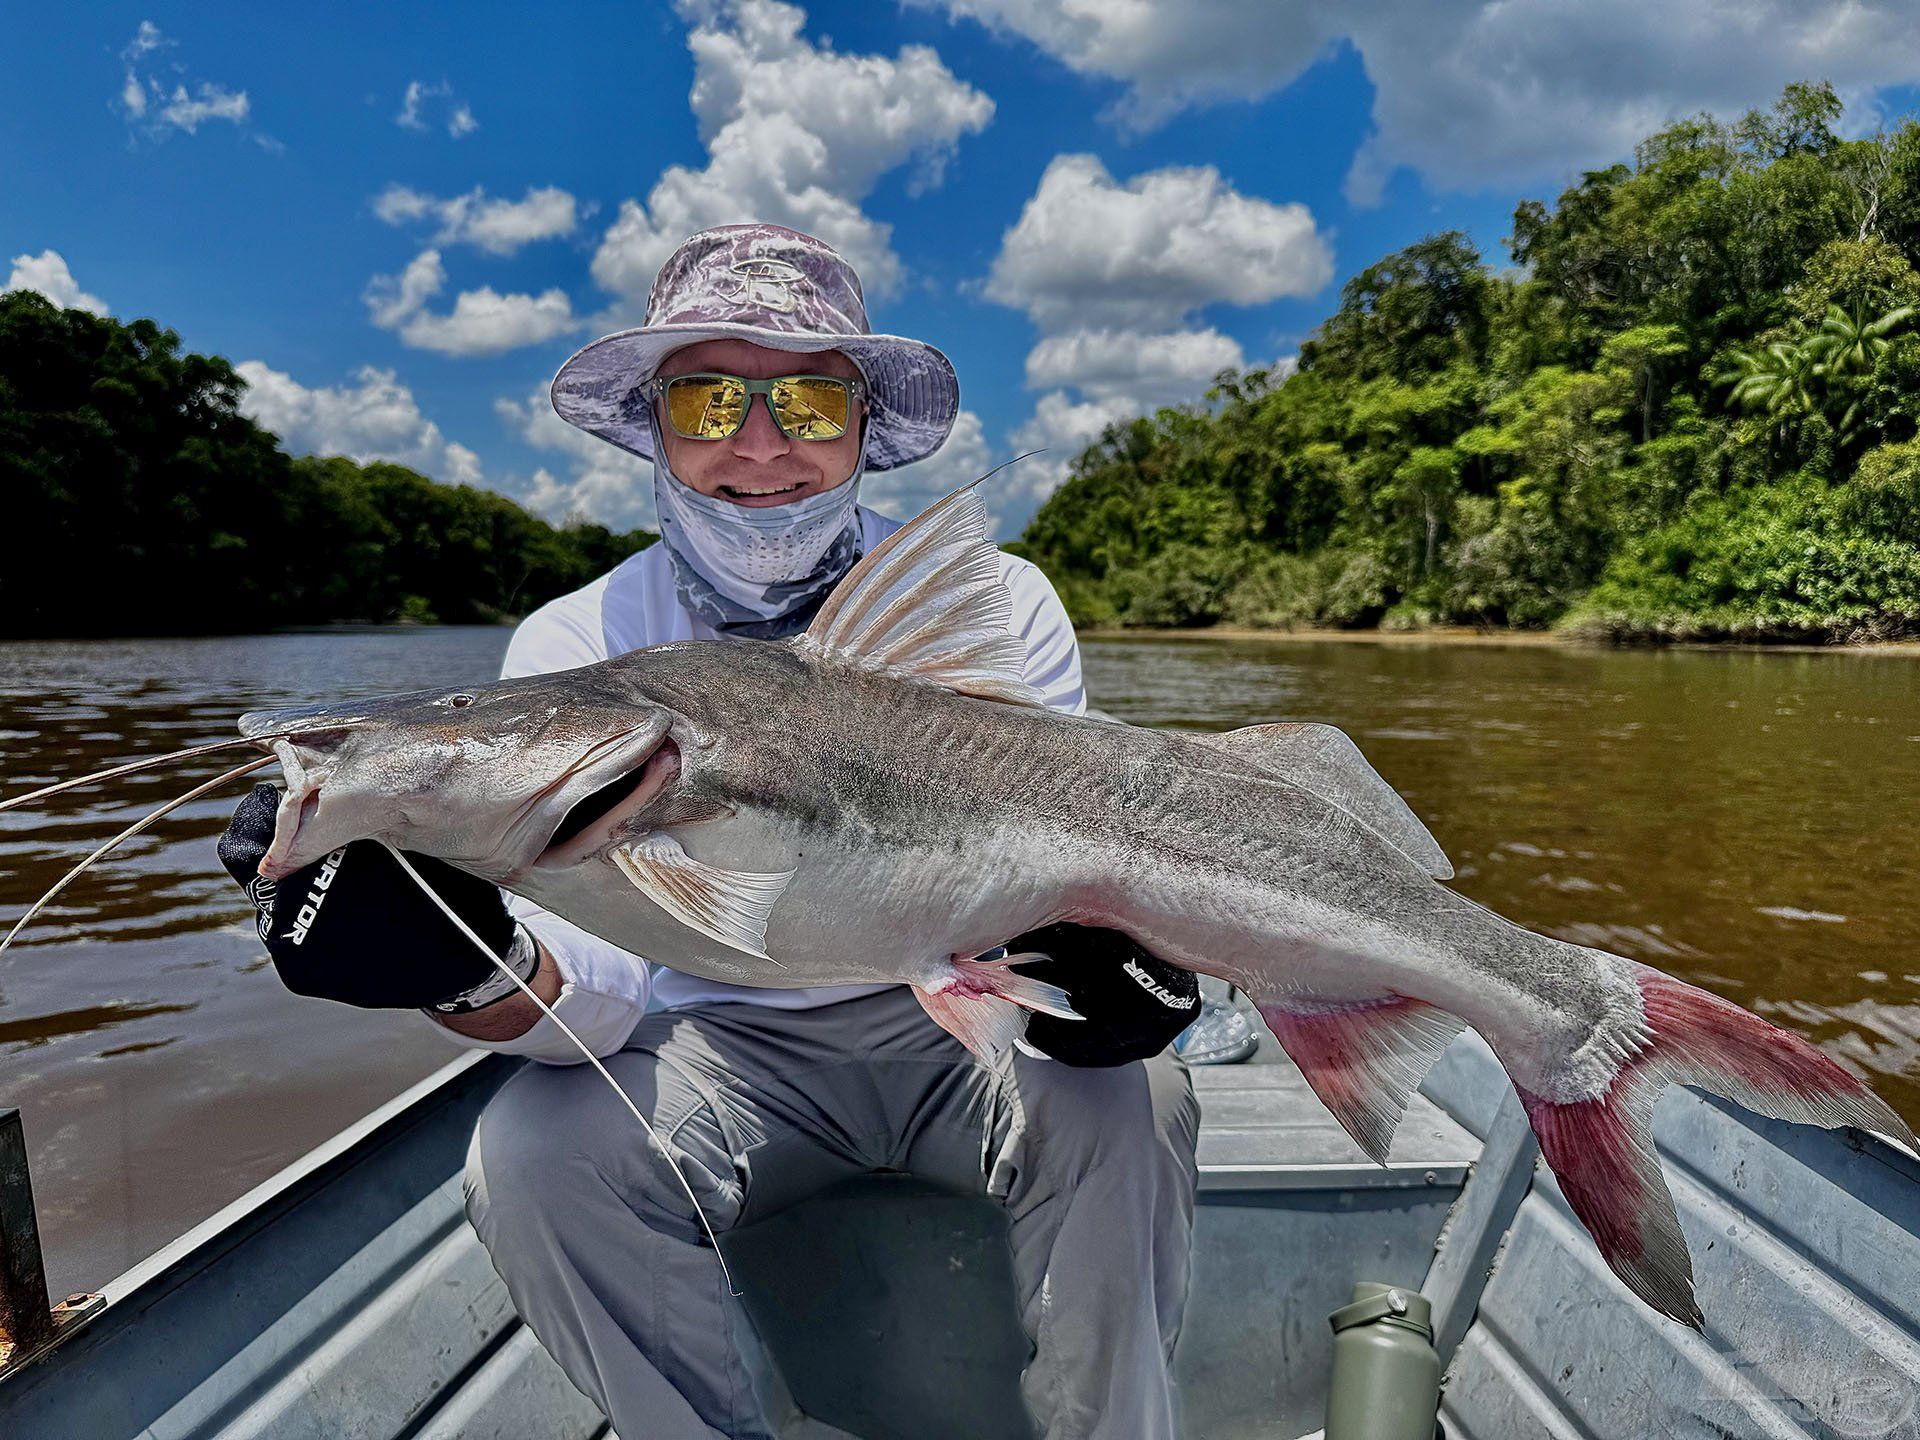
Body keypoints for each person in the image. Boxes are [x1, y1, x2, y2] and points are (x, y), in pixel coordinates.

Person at [219, 224, 1200, 1440]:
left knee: (1132, 1098)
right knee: (533, 1154)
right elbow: (610, 1002)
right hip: (722, 1043)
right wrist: (460, 971)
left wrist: (1130, 958)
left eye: (805, 398)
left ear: (860, 425)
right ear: (654, 426)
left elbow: (1063, 862)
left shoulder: (991, 610)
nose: (760, 443)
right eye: (710, 399)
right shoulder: (578, 645)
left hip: (964, 1019)